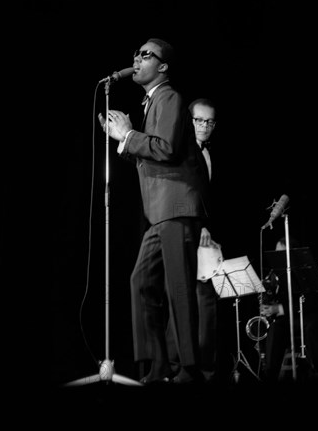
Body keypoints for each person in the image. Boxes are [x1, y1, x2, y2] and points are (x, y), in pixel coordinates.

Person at [98, 37, 210, 385]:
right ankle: (158, 363)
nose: (137, 58)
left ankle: (189, 370)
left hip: (176, 208)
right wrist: (124, 140)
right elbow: (153, 156)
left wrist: (129, 135)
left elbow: (166, 150)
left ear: (162, 66)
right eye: (136, 54)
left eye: (146, 55)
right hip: (159, 213)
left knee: (178, 288)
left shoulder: (170, 96)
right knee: (141, 283)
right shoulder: (151, 103)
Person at [167, 97, 222, 383]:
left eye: (209, 121)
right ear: (189, 121)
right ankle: (177, 368)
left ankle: (204, 371)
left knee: (206, 306)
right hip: (186, 233)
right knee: (180, 301)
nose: (204, 126)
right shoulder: (181, 150)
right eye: (199, 120)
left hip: (208, 242)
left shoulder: (212, 154)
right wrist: (198, 225)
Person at [260, 237, 318, 382]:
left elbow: (312, 302)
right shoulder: (277, 274)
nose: (276, 257)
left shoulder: (306, 270)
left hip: (312, 315)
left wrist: (279, 308)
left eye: (280, 253)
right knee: (276, 328)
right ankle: (270, 375)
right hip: (289, 319)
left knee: (312, 328)